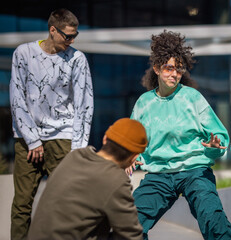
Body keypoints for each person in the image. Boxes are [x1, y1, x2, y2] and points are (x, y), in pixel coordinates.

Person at [128, 30, 231, 240]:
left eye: (179, 69)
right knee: (129, 224)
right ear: (157, 68)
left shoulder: (192, 97)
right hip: (159, 174)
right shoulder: (144, 103)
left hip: (194, 170)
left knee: (213, 219)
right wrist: (130, 155)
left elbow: (219, 135)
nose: (175, 74)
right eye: (169, 68)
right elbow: (133, 140)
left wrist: (215, 145)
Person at [9, 8, 93, 239]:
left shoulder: (77, 59)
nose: (72, 40)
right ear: (52, 30)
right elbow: (17, 97)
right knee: (22, 205)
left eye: (75, 35)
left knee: (69, 204)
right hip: (27, 140)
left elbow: (85, 103)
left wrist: (78, 147)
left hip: (63, 138)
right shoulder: (23, 53)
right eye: (67, 36)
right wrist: (33, 139)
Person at [27, 118, 146, 240]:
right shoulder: (115, 180)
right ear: (134, 157)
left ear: (105, 139)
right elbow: (131, 235)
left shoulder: (74, 157)